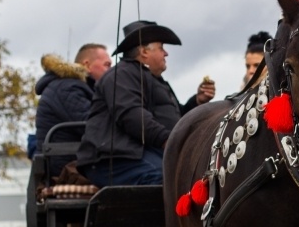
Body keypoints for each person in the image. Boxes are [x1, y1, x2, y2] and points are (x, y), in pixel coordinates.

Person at [76, 20, 216, 187]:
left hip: (142, 154)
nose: (166, 54)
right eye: (161, 47)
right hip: (113, 159)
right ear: (143, 52)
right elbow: (132, 116)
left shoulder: (153, 80)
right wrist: (170, 142)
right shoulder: (121, 75)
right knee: (170, 181)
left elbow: (176, 119)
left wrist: (197, 101)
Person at [32, 43, 112, 176]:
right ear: (87, 65)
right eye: (107, 65)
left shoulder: (77, 87)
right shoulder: (68, 88)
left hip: (75, 161)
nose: (111, 70)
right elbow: (94, 128)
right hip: (67, 167)